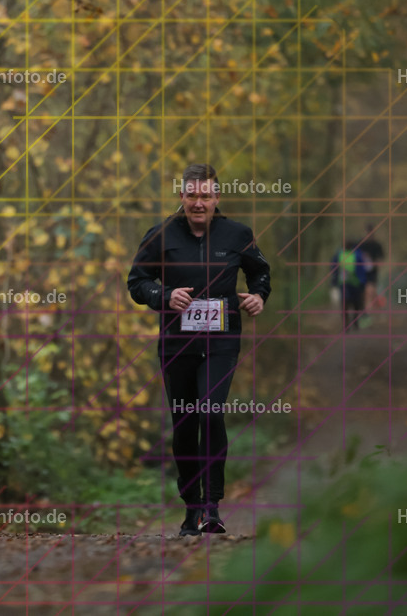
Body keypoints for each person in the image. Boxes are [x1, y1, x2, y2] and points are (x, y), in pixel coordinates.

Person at [128, 163, 271, 537]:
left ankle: (213, 506)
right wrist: (163, 295)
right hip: (177, 342)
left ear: (217, 197)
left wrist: (258, 295)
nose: (198, 202)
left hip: (221, 341)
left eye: (206, 195)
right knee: (185, 423)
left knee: (209, 411)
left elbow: (260, 272)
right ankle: (191, 506)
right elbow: (137, 281)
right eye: (191, 194)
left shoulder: (237, 234)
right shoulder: (160, 235)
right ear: (182, 196)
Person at [330, 240, 368, 332]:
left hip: (345, 283)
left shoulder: (339, 255)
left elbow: (333, 268)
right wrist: (363, 282)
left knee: (346, 304)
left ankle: (347, 324)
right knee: (354, 304)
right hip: (353, 284)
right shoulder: (356, 255)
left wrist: (334, 281)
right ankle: (350, 323)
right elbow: (362, 269)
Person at [357, 225, 385, 312]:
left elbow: (381, 257)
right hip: (363, 270)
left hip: (373, 270)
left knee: (371, 289)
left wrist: (377, 263)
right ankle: (369, 307)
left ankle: (372, 307)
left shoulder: (377, 245)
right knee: (366, 290)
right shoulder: (362, 244)